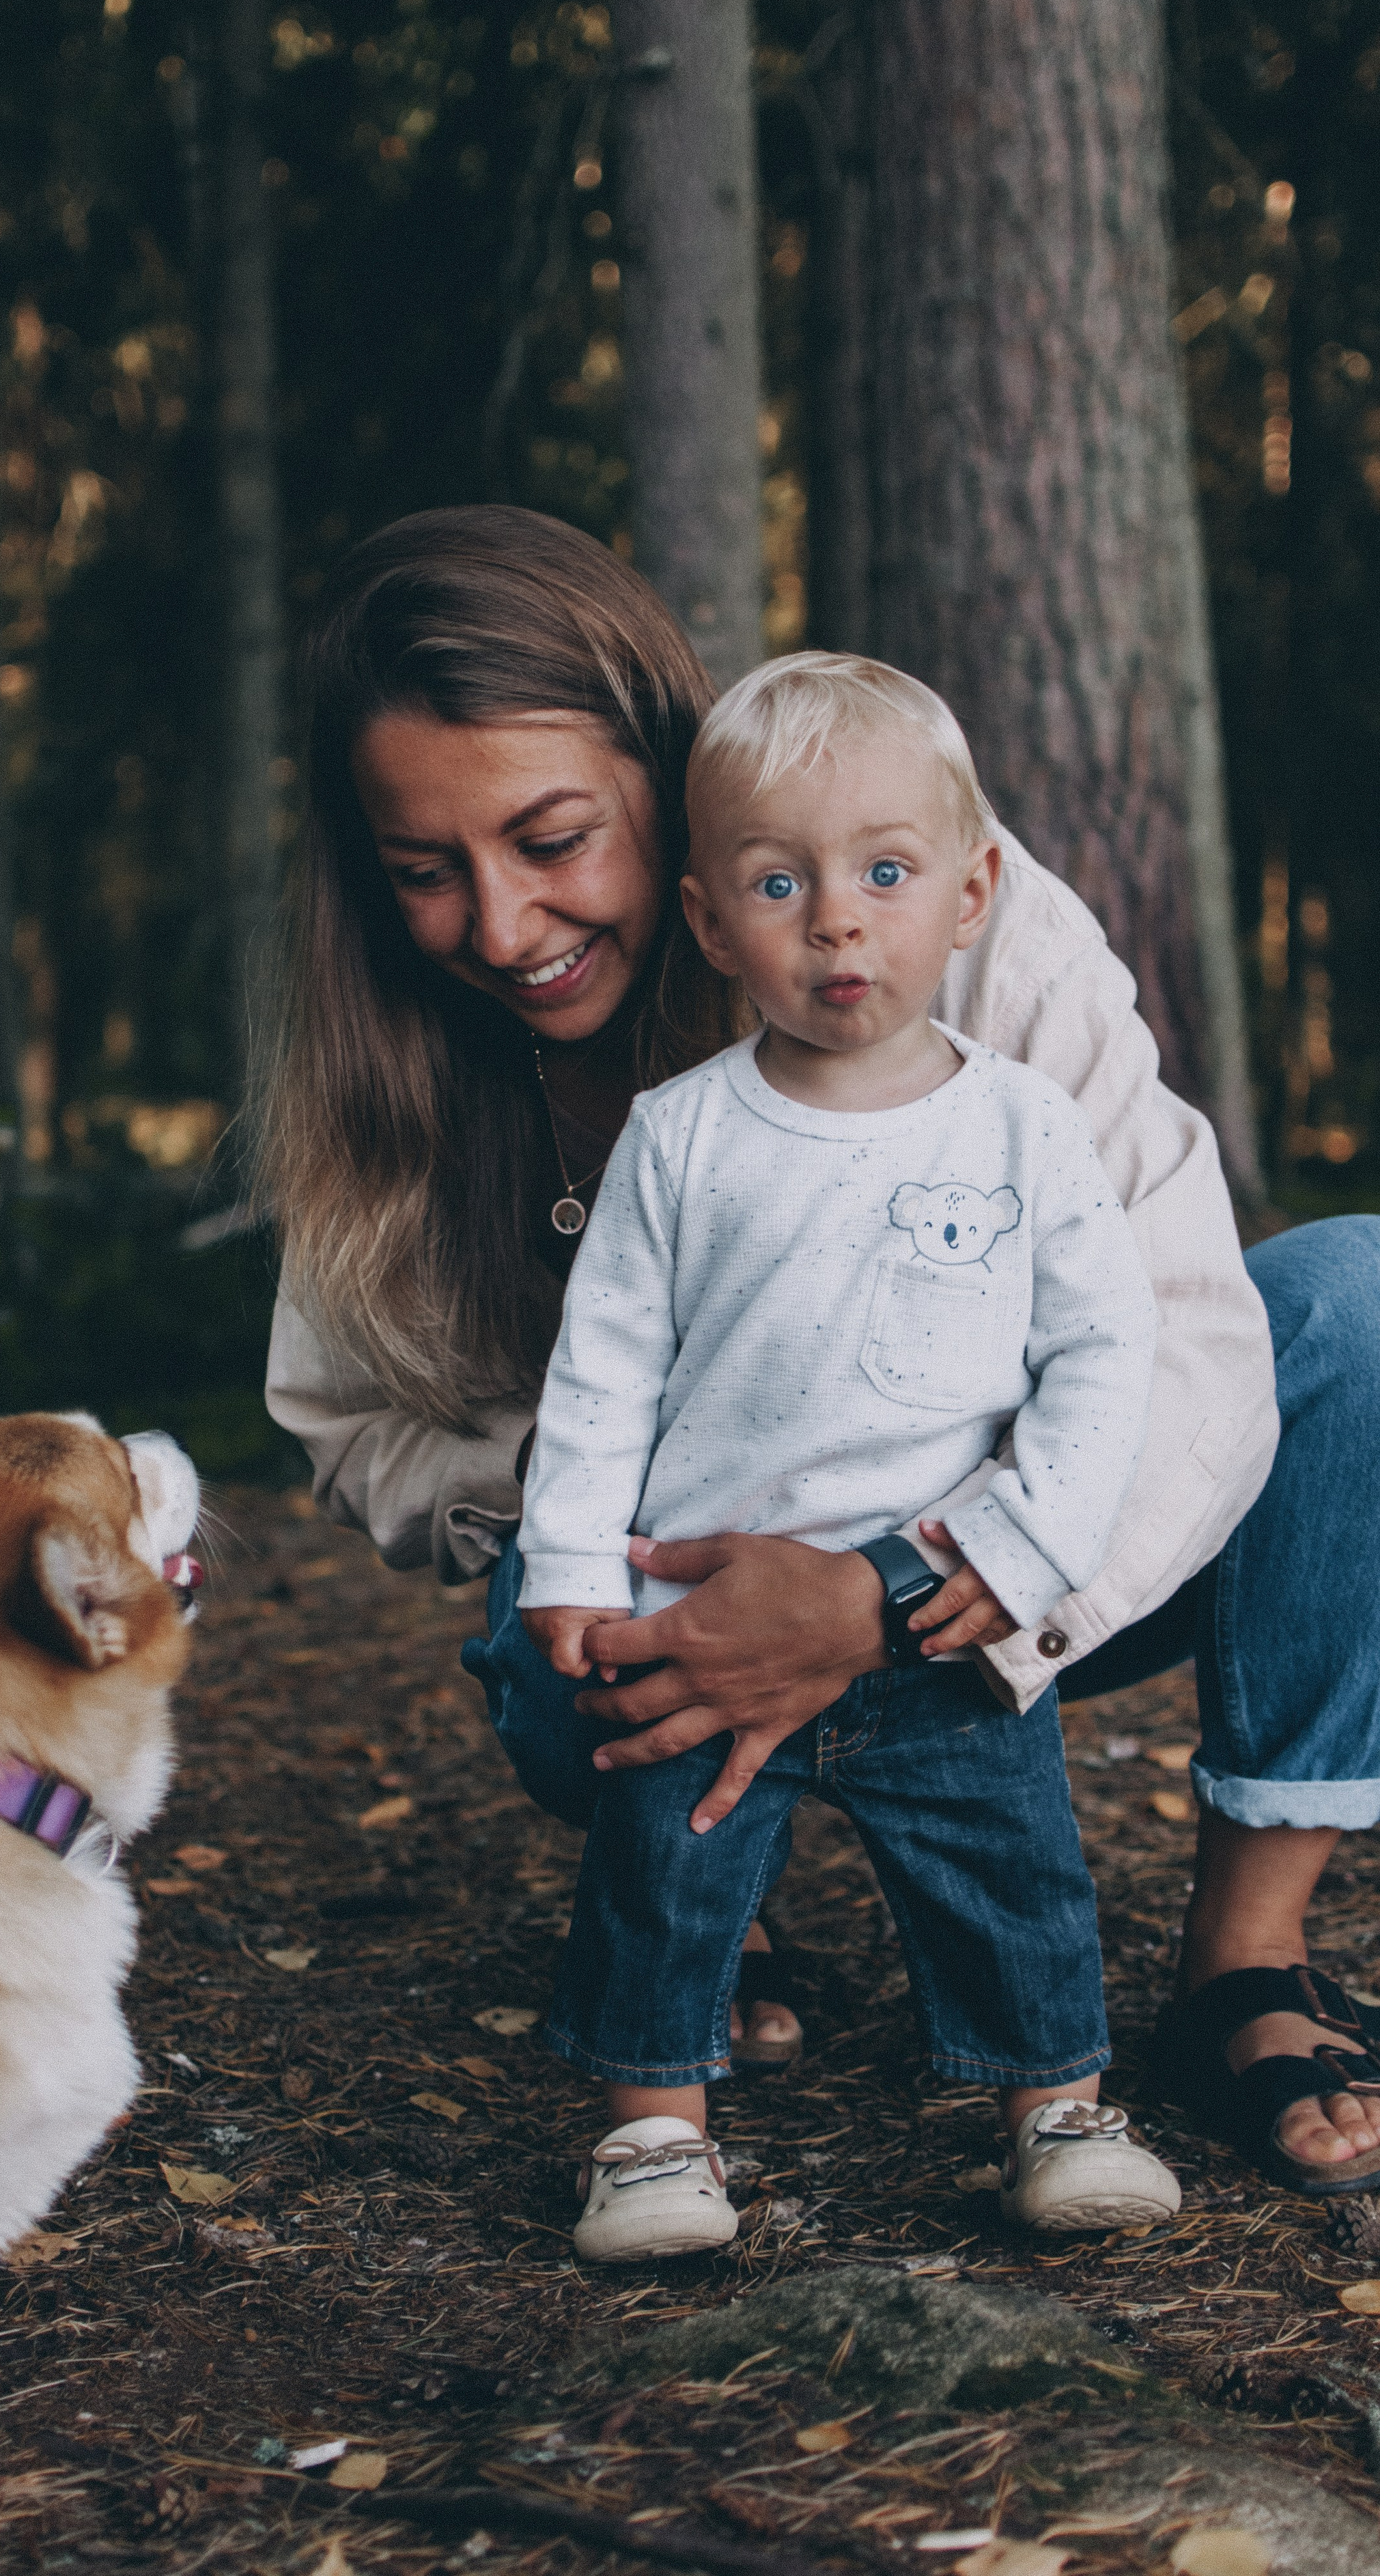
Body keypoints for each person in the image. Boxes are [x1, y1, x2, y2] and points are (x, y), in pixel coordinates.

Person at [260, 505, 1380, 2207]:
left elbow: (1181, 1330)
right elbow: (348, 1418)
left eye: (554, 838)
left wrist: (887, 1581)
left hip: (1012, 1561)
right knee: (543, 1624)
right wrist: (674, 1535)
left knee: (1352, 1299)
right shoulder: (393, 1055)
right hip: (681, 1589)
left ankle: (1243, 1955)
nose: (500, 924)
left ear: (669, 776)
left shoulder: (940, 908)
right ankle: (716, 1900)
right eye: (427, 869)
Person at [513, 652, 1180, 2257]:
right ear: (705, 918)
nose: (834, 920)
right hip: (705, 1611)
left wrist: (1019, 1553)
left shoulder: (1019, 1127)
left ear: (968, 893)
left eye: (883, 873)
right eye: (776, 881)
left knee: (1010, 1867)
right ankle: (652, 2132)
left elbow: (1103, 1352)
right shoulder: (680, 1134)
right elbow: (601, 1368)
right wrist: (567, 1566)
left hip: (936, 1605)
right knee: (666, 1873)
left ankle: (1055, 2105)